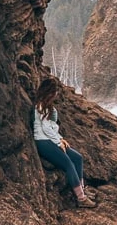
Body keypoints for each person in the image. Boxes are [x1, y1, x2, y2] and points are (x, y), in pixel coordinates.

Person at [33, 76, 91, 207]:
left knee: (78, 158)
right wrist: (58, 143)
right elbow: (45, 128)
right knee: (68, 164)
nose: (57, 94)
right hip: (43, 141)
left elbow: (52, 126)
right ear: (50, 92)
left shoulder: (49, 107)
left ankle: (82, 189)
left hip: (51, 138)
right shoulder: (40, 106)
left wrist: (61, 139)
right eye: (55, 92)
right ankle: (81, 199)